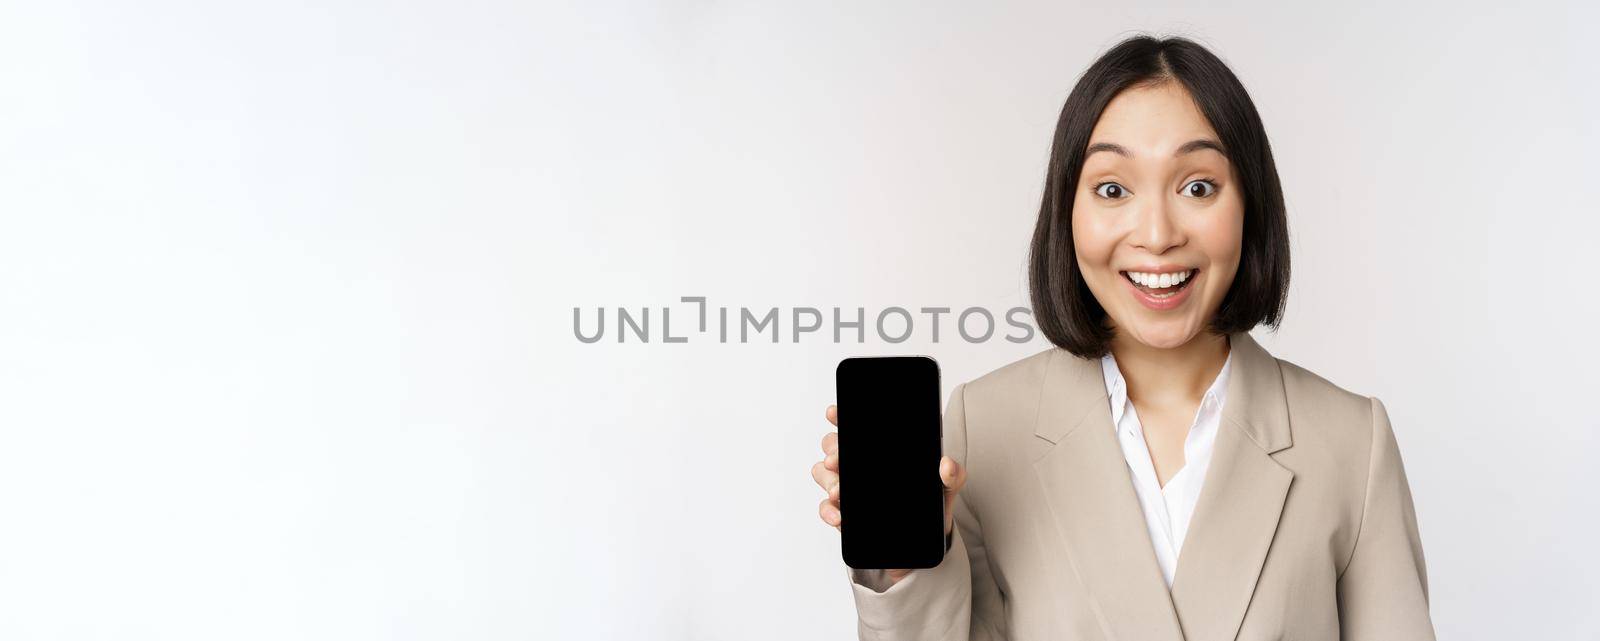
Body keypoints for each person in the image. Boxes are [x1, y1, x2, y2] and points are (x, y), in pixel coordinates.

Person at [810, 35, 1435, 641]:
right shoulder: (986, 426)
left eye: (1198, 187)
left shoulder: (1352, 443)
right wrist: (905, 574)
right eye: (1113, 189)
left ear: (1251, 205)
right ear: (1068, 211)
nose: (1158, 234)